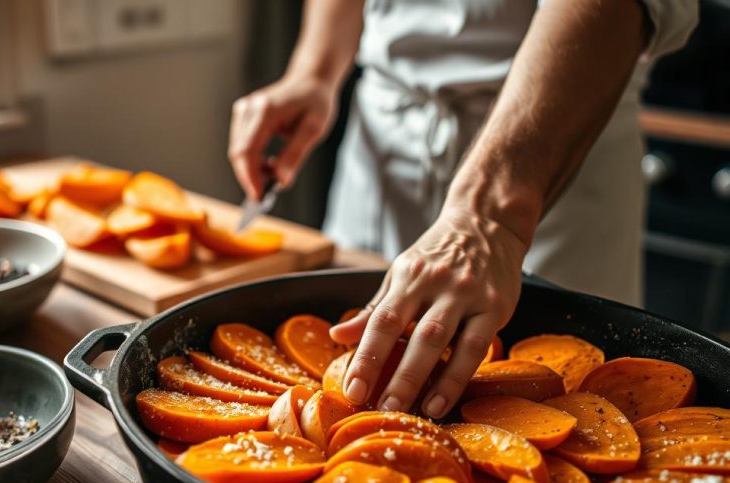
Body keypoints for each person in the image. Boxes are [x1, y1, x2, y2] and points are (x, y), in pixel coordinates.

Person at [227, 0, 697, 418]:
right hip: (384, 138)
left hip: (547, 145)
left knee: (570, 406)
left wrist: (490, 220)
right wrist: (315, 70)